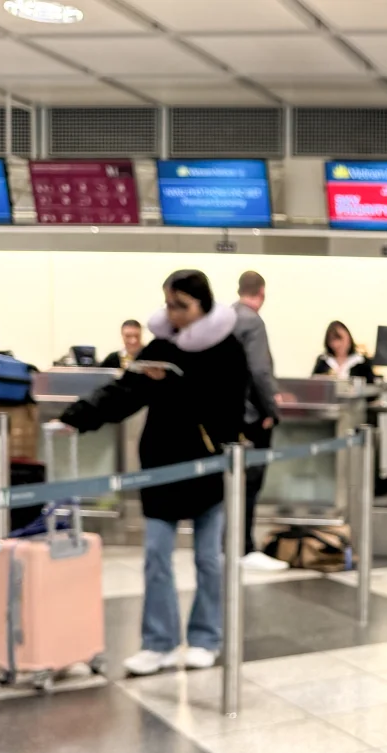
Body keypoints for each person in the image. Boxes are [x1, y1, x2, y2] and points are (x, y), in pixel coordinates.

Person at [60, 269, 249, 676]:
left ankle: (205, 638)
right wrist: (77, 417)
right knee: (156, 557)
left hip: (209, 469)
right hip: (161, 466)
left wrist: (174, 385)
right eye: (169, 304)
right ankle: (158, 642)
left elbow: (229, 407)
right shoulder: (160, 347)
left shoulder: (227, 349)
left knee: (208, 559)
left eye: (182, 304)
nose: (174, 313)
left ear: (203, 304)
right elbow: (124, 391)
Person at [232, 270, 286, 573]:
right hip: (251, 418)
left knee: (229, 482)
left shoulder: (225, 318)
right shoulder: (253, 321)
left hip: (227, 416)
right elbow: (260, 371)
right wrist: (270, 411)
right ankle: (244, 547)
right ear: (261, 293)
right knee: (251, 483)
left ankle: (228, 544)